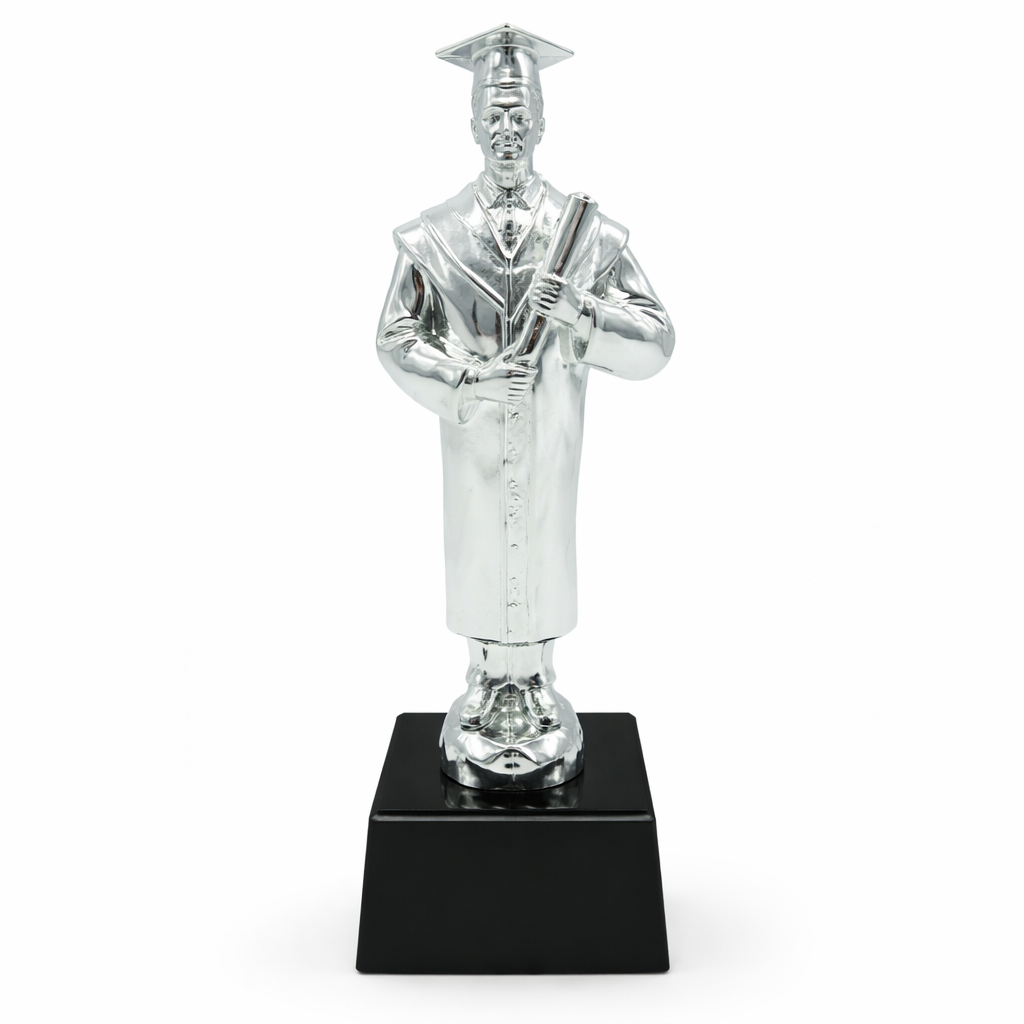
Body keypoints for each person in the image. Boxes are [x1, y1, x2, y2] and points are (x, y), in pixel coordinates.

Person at [376, 25, 675, 789]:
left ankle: (536, 684)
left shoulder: (586, 238)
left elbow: (655, 339)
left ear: (542, 121)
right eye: (494, 113)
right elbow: (396, 338)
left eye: (519, 112)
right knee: (478, 557)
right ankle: (484, 685)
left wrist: (582, 314)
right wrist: (468, 383)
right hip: (474, 454)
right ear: (472, 123)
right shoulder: (438, 236)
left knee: (544, 558)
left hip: (550, 450)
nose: (507, 127)